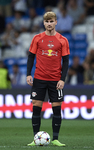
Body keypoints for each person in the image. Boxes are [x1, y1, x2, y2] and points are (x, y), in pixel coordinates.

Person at [26, 11, 70, 147]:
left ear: (56, 22)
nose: (49, 24)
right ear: (43, 23)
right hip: (39, 78)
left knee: (57, 108)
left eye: (51, 21)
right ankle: (35, 138)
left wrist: (62, 79)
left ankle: (55, 139)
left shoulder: (63, 40)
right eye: (47, 21)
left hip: (55, 80)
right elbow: (31, 57)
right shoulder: (37, 38)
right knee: (36, 108)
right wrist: (28, 74)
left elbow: (66, 61)